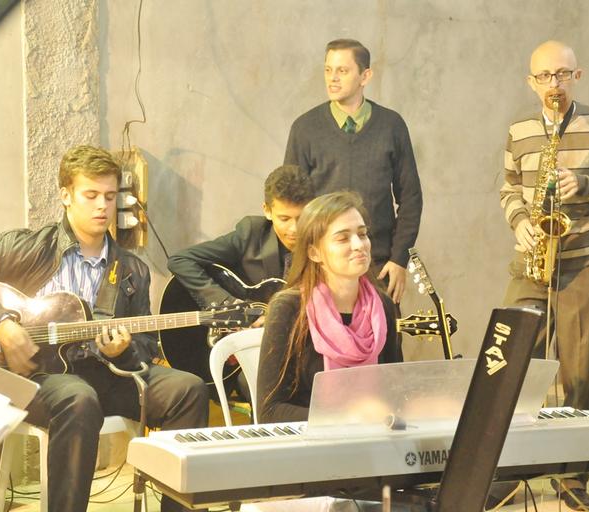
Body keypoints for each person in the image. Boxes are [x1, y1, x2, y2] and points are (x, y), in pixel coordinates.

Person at [0, 145, 208, 512]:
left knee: (187, 389)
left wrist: (122, 351)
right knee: (78, 397)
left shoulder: (131, 270)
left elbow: (144, 345)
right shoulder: (28, 247)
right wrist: (1, 324)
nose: (102, 206)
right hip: (31, 375)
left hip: (104, 373)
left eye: (110, 196)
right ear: (65, 196)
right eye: (91, 195)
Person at [498, 40, 589, 511]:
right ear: (530, 81)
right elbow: (509, 189)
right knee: (513, 365)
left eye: (562, 74)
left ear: (577, 76)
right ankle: (511, 469)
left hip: (583, 262)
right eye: (544, 75)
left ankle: (574, 475)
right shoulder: (519, 130)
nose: (553, 84)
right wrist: (520, 221)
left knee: (578, 374)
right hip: (532, 262)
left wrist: (588, 185)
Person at [284, 39, 422, 304]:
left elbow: (411, 198)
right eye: (328, 70)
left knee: (382, 330)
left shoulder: (391, 126)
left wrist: (399, 259)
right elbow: (292, 203)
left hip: (378, 265)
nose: (332, 78)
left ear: (365, 76)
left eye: (342, 71)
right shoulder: (304, 129)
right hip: (322, 267)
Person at [257, 191, 403, 423]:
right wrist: (348, 419)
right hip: (310, 441)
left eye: (362, 234)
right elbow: (269, 412)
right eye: (343, 238)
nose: (359, 245)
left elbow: (395, 394)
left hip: (373, 435)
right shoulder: (288, 308)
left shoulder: (383, 305)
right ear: (314, 253)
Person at [168, 164, 314, 311]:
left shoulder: (321, 241)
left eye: (301, 218)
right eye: (284, 219)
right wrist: (230, 305)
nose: (294, 229)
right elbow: (180, 260)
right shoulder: (251, 234)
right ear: (267, 211)